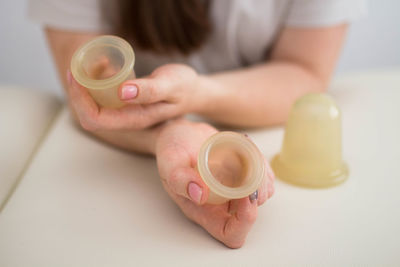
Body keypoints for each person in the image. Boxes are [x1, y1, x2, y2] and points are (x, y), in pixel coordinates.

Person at [29, 0, 366, 248]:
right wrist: (167, 132)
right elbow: (86, 86)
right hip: (129, 145)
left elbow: (304, 71)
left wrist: (197, 95)